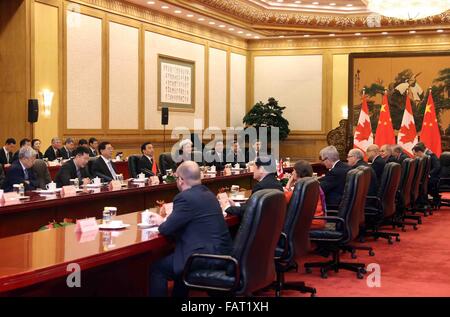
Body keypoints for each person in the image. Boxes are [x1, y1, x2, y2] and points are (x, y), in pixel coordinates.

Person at [147, 161, 233, 297]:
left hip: (203, 258)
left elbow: (166, 229)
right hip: (224, 254)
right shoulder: (209, 194)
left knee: (158, 269)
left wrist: (161, 221)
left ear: (181, 180)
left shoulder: (184, 197)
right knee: (180, 258)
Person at [284, 160, 326, 229]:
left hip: (310, 223)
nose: (292, 173)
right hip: (318, 220)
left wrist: (288, 184)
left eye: (293, 171)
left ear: (298, 173)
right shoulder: (312, 183)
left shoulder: (302, 186)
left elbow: (284, 199)